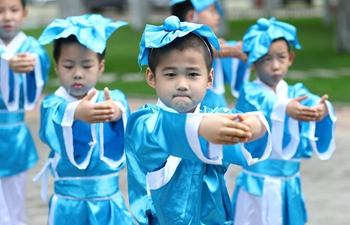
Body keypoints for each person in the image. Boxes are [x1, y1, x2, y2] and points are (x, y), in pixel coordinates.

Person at [125, 15, 272, 225]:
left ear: (209, 78)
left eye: (193, 74)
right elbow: (163, 131)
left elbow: (252, 133)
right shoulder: (142, 122)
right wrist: (201, 128)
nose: (182, 84)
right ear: (151, 77)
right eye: (170, 74)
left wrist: (252, 126)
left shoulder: (216, 115)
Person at [231, 17, 337, 225]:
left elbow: (313, 100)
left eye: (280, 57)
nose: (275, 65)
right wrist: (286, 108)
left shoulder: (295, 91)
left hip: (290, 181)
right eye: (266, 59)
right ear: (252, 63)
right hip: (257, 182)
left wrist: (321, 109)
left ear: (290, 58)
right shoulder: (250, 91)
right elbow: (265, 102)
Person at [33, 14, 135, 225]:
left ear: (101, 66)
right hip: (68, 204)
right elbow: (54, 119)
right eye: (69, 66)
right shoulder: (52, 103)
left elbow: (120, 108)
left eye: (87, 66)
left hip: (108, 200)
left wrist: (114, 112)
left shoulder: (111, 97)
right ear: (56, 67)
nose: (78, 74)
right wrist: (77, 113)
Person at [0, 0, 50, 224]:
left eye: (13, 10)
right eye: (0, 10)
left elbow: (41, 65)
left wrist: (30, 64)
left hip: (13, 135)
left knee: (15, 197)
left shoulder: (31, 48)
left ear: (24, 13)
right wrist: (5, 64)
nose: (7, 17)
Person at [170, 0, 250, 108]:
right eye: (212, 11)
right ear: (192, 15)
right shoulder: (172, 46)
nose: (217, 16)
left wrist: (243, 51)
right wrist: (207, 51)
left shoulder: (216, 46)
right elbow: (182, 52)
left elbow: (238, 50)